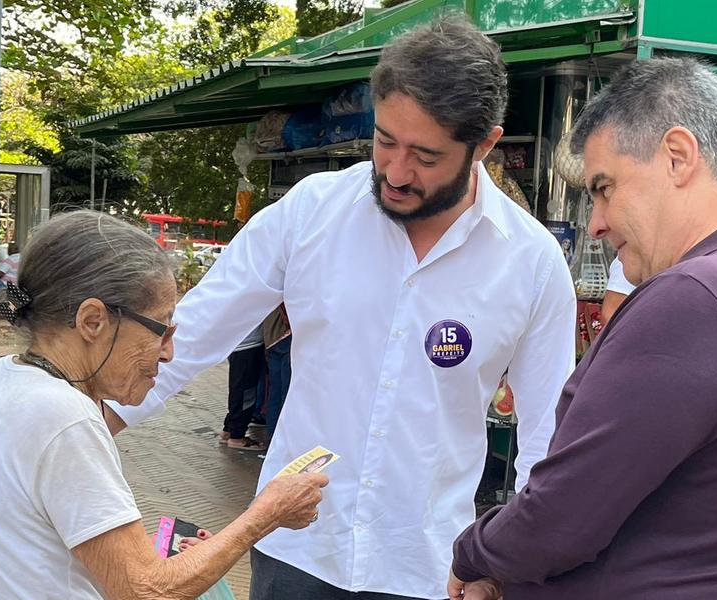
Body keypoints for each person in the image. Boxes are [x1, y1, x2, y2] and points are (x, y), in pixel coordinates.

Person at [109, 14, 576, 600]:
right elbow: (193, 334)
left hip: (426, 566)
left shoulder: (530, 262)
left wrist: (509, 561)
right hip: (296, 551)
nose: (397, 173)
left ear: (484, 145)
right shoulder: (311, 213)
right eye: (386, 142)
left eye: (426, 157)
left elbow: (548, 436)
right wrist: (83, 427)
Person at [449, 58, 717, 600]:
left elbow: (563, 516)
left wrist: (476, 553)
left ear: (677, 158)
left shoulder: (697, 299)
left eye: (605, 188)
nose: (596, 222)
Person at [0, 210, 327, 599]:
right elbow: (146, 590)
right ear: (93, 321)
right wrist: (265, 514)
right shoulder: (64, 418)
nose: (170, 353)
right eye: (162, 329)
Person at [219, 325, 268, 451]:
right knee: (246, 392)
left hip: (239, 342)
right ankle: (236, 437)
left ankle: (229, 430)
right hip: (247, 344)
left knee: (238, 389)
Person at [261, 304, 293, 440]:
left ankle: (273, 438)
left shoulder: (269, 289)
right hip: (285, 336)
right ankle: (284, 440)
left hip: (271, 339)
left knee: (275, 393)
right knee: (286, 394)